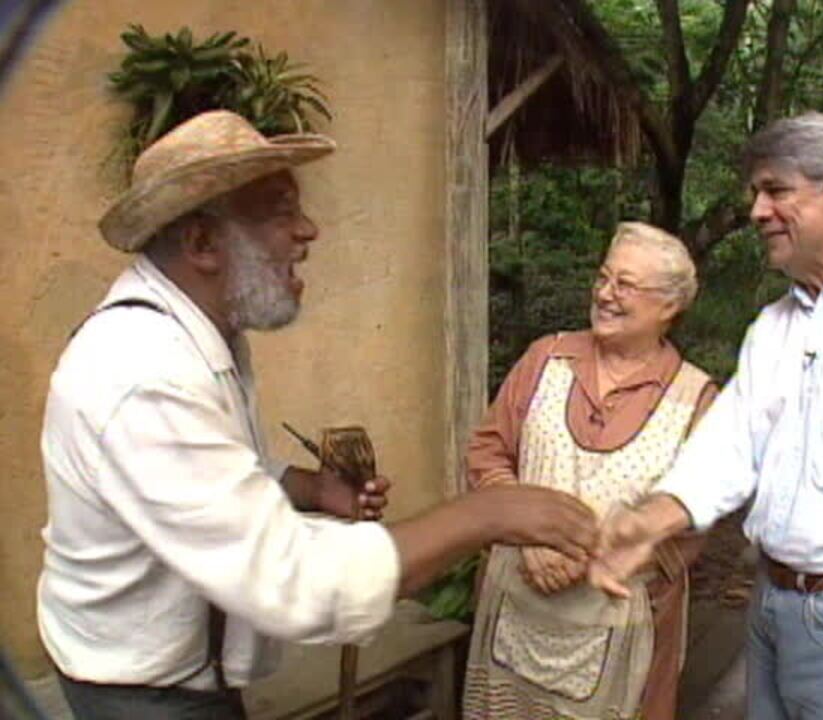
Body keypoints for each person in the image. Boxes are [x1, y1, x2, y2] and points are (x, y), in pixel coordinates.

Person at [38, 110, 598, 720]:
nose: (309, 230)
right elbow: (293, 583)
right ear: (202, 244)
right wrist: (485, 513)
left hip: (183, 675)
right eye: (280, 211)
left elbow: (222, 473)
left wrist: (308, 487)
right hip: (142, 697)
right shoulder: (145, 372)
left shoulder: (205, 336)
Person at [589, 113, 823, 720]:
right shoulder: (774, 327)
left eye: (775, 190)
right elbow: (730, 448)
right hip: (766, 606)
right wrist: (649, 520)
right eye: (756, 194)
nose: (757, 211)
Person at [462, 222, 718, 720]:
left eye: (625, 285)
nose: (605, 294)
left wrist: (592, 555)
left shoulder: (696, 399)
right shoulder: (545, 358)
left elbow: (697, 522)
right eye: (603, 278)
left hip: (620, 633)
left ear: (669, 306)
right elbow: (488, 453)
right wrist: (527, 537)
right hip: (515, 612)